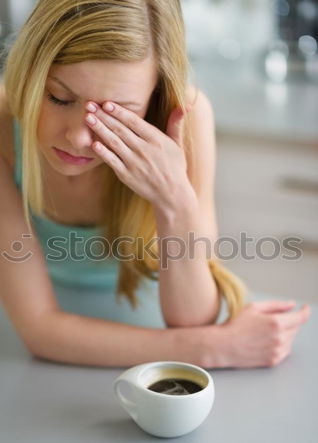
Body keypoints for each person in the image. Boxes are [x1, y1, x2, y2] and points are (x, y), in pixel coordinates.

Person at [0, 0, 310, 369]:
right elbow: (39, 330)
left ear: (155, 98)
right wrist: (211, 349)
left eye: (120, 113)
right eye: (60, 98)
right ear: (27, 72)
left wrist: (174, 200)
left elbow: (195, 320)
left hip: (146, 314)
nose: (80, 138)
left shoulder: (186, 120)